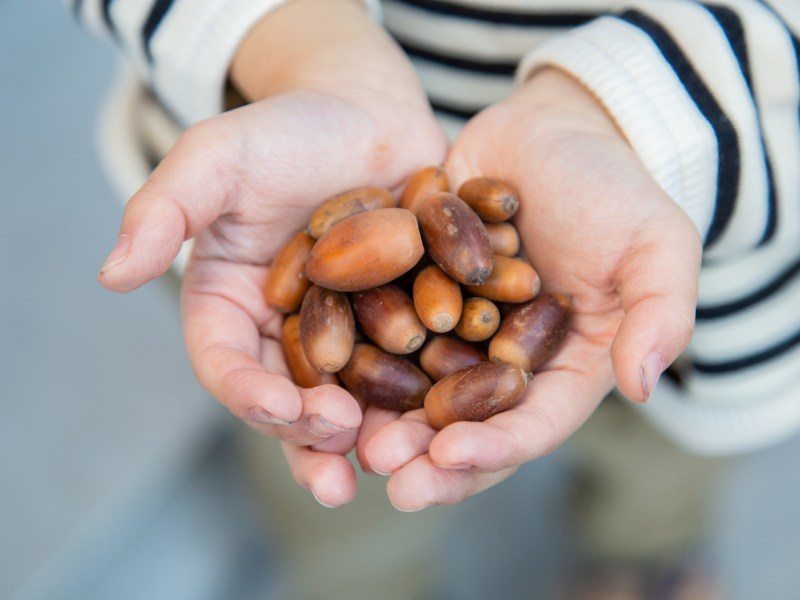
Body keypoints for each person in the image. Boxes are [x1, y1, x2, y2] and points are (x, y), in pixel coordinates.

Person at [73, 0, 800, 597]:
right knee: (331, 461)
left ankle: (644, 559)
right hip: (276, 166)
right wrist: (303, 49)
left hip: (695, 233)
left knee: (660, 458)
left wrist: (629, 111)